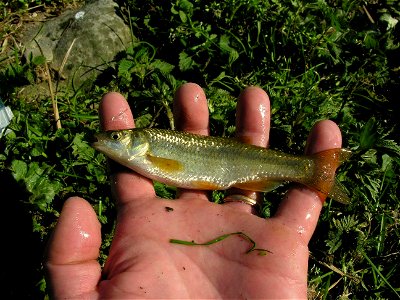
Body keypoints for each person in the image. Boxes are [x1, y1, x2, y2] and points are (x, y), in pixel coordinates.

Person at [45, 83, 343, 298]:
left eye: (117, 137)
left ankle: (313, 169)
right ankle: (312, 170)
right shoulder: (142, 154)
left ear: (138, 141)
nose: (107, 140)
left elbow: (172, 169)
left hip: (234, 166)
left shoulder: (149, 149)